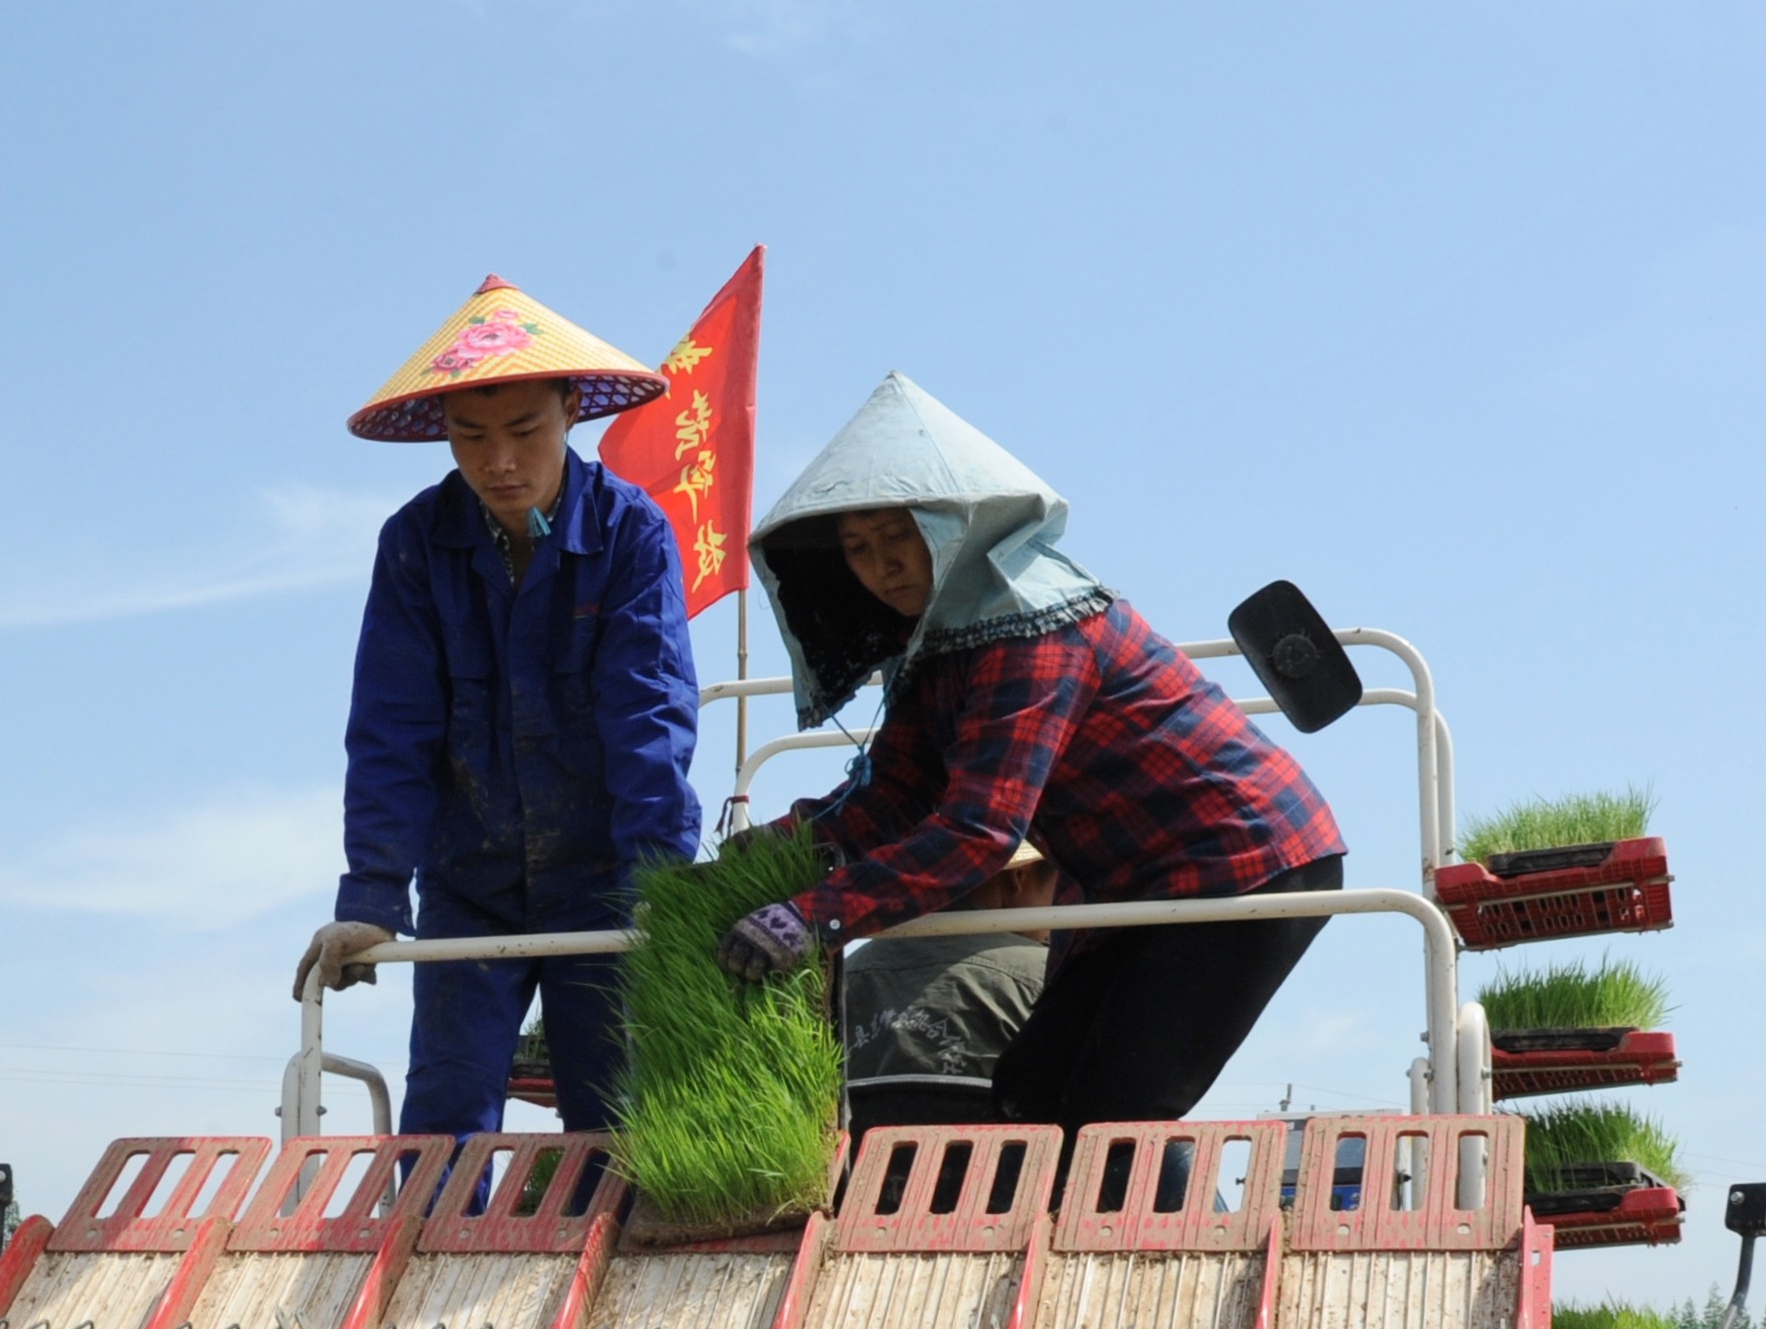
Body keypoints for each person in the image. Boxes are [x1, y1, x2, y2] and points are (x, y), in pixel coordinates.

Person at [712, 375, 1343, 1134]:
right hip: (1127, 884)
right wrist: (764, 854)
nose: (882, 565)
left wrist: (812, 915)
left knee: (1115, 1107)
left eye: (899, 535)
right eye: (857, 547)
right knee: (1028, 1094)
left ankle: (1114, 1256)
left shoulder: (1027, 624)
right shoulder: (942, 640)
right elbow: (894, 794)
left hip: (1244, 861)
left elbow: (978, 831)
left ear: (952, 529)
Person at [299, 277, 703, 1138]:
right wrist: (372, 892)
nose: (499, 462)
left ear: (569, 413)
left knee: (617, 1109)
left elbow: (650, 719)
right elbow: (389, 726)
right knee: (444, 1107)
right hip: (467, 879)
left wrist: (658, 888)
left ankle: (622, 1269)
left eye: (524, 431)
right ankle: (422, 1263)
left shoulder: (632, 534)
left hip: (605, 879)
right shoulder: (414, 543)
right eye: (470, 437)